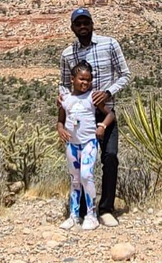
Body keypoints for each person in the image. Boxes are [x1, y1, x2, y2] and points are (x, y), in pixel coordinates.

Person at [58, 8, 131, 227]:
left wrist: (108, 92)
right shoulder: (67, 55)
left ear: (92, 24)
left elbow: (125, 74)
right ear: (72, 28)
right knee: (79, 163)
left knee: (110, 157)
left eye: (86, 23)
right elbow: (63, 83)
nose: (82, 27)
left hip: (105, 110)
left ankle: (106, 209)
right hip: (79, 114)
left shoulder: (110, 44)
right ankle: (80, 210)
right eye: (78, 24)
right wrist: (63, 105)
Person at [57, 61, 115, 230]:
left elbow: (110, 114)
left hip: (89, 142)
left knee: (86, 175)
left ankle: (91, 214)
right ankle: (74, 216)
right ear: (72, 79)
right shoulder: (65, 99)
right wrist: (60, 129)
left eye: (88, 80)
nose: (85, 83)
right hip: (72, 145)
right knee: (74, 180)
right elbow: (60, 120)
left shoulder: (92, 97)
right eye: (82, 79)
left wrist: (102, 126)